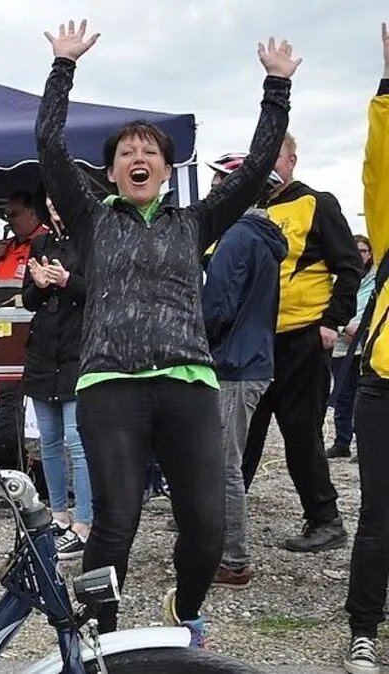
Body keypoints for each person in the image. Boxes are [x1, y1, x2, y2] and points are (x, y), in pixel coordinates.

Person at [35, 19, 296, 645]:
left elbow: (259, 162)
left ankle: (185, 605)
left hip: (188, 383)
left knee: (207, 525)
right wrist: (63, 67)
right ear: (113, 172)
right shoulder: (91, 222)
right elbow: (48, 143)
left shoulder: (196, 220)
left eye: (150, 150)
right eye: (127, 152)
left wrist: (276, 87)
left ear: (168, 167)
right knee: (116, 521)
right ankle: (99, 635)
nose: (139, 157)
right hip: (110, 385)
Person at [240, 124, 364, 554]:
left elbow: (350, 266)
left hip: (301, 339)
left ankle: (325, 519)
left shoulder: (317, 203)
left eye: (276, 155)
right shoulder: (245, 209)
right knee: (242, 433)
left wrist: (333, 321)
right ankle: (220, 516)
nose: (269, 164)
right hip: (252, 343)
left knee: (300, 434)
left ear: (291, 161)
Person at [200, 153, 290, 590]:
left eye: (219, 182)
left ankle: (234, 560)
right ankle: (220, 547)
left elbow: (216, 307)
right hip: (250, 359)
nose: (213, 189)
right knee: (224, 460)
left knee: (224, 464)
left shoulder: (237, 237)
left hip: (233, 363)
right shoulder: (261, 235)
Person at [342, 22, 389, 674]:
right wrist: (386, 88)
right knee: (379, 514)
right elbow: (379, 167)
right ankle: (363, 630)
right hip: (383, 386)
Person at [19, 184, 91, 560]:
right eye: (50, 205)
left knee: (77, 442)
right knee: (47, 441)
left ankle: (84, 522)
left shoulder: (92, 237)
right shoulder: (41, 245)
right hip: (44, 352)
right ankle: (57, 514)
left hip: (78, 352)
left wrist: (66, 282)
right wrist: (40, 285)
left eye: (59, 204)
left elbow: (102, 291)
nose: (55, 211)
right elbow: (28, 299)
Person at [0, 191, 49, 470]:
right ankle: (12, 456)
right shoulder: (6, 246)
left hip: (28, 334)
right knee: (8, 397)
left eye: (13, 214)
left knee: (11, 397)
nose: (8, 220)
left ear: (32, 213)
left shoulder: (44, 243)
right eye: (5, 215)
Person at [328, 233, 375, 460]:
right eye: (355, 251)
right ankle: (341, 441)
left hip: (366, 348)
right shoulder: (340, 280)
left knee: (363, 399)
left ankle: (363, 446)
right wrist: (343, 327)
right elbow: (330, 308)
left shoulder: (377, 282)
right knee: (342, 397)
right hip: (342, 346)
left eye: (364, 251)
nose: (360, 255)